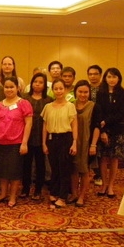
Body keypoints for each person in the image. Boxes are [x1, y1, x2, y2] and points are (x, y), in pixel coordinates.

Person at [0, 76, 33, 207]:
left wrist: (24, 143)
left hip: (15, 143)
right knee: (2, 171)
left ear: (17, 88)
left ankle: (12, 196)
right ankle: (3, 194)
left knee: (14, 172)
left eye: (12, 87)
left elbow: (28, 124)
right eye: (6, 87)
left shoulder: (23, 103)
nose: (9, 89)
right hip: (0, 143)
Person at [41, 79, 78, 208]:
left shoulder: (70, 106)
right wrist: (44, 144)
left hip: (66, 139)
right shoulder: (48, 107)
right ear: (52, 90)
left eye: (61, 88)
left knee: (64, 168)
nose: (58, 91)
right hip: (51, 140)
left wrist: (74, 142)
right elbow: (45, 126)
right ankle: (54, 192)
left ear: (65, 90)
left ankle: (63, 197)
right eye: (56, 89)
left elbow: (74, 125)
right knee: (54, 168)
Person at [96, 68, 124, 199]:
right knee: (103, 158)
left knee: (114, 159)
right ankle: (104, 184)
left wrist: (105, 121)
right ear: (105, 78)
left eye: (114, 77)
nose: (112, 79)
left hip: (117, 130)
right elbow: (99, 111)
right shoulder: (100, 93)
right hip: (104, 130)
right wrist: (102, 130)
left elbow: (120, 113)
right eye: (109, 77)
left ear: (119, 78)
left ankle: (110, 186)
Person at [21, 72, 53, 200]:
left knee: (41, 165)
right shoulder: (24, 98)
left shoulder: (49, 100)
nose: (37, 84)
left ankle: (38, 190)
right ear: (31, 83)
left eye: (41, 82)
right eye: (35, 82)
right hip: (26, 136)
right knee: (26, 164)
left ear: (45, 85)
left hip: (42, 136)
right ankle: (25, 188)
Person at [70, 80, 101, 207]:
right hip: (73, 141)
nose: (83, 94)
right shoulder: (70, 105)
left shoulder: (94, 106)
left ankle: (82, 196)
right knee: (73, 169)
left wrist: (93, 145)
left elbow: (97, 127)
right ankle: (74, 193)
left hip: (87, 142)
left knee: (84, 170)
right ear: (75, 92)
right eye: (80, 92)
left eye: (86, 92)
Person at [87, 64, 103, 186]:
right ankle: (87, 174)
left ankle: (99, 175)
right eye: (90, 74)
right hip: (87, 122)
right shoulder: (86, 88)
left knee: (99, 151)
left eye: (95, 74)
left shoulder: (104, 89)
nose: (93, 76)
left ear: (100, 75)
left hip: (101, 123)